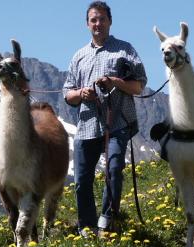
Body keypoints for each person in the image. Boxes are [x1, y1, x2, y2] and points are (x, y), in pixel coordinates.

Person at [63, 1, 147, 234]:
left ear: (110, 21)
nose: (97, 23)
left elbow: (138, 86)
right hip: (87, 125)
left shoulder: (125, 50)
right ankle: (87, 228)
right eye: (93, 20)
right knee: (81, 181)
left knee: (113, 170)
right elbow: (67, 94)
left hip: (117, 121)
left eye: (101, 19)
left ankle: (106, 222)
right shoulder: (78, 56)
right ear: (87, 24)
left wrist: (114, 82)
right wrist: (81, 93)